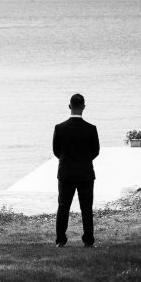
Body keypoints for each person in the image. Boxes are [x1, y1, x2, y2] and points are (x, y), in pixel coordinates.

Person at [52, 93, 99, 247]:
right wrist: (84, 161)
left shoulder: (59, 128)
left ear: (69, 106)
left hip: (66, 173)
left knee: (63, 207)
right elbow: (95, 151)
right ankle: (88, 240)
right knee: (86, 208)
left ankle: (60, 240)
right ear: (84, 107)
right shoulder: (91, 129)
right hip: (85, 173)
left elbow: (56, 151)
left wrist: (67, 161)